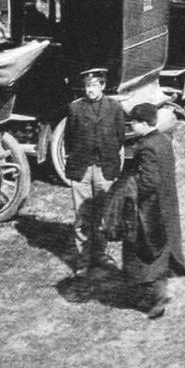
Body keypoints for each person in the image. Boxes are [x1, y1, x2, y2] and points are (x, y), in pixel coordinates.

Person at [116, 102, 185, 317]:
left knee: (145, 253)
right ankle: (160, 291)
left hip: (150, 208)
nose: (132, 126)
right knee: (162, 249)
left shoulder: (146, 147)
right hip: (166, 204)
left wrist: (129, 184)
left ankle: (156, 300)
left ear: (144, 123)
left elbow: (148, 181)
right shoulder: (164, 140)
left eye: (134, 123)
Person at [63, 68, 127, 278]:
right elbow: (69, 139)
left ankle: (99, 255)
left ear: (103, 86)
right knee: (82, 216)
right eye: (87, 86)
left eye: (94, 86)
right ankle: (83, 259)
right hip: (82, 170)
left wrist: (108, 159)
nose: (89, 90)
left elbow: (119, 137)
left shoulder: (115, 108)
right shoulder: (75, 109)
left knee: (102, 215)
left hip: (105, 169)